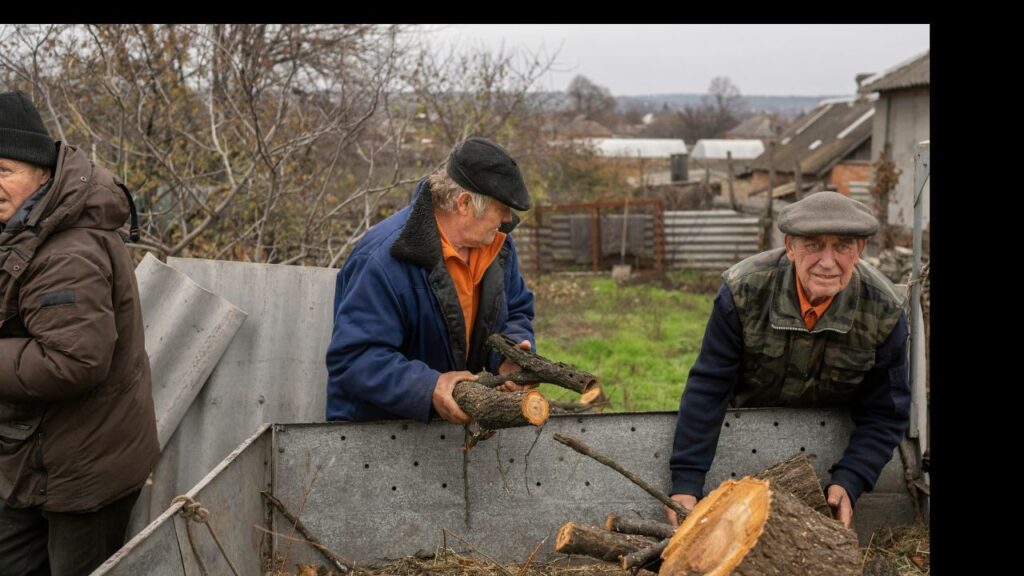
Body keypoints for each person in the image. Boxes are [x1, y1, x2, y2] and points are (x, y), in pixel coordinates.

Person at [666, 192, 910, 529]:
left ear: (860, 251)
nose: (827, 262)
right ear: (790, 246)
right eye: (812, 245)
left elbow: (887, 411)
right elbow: (709, 387)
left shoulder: (885, 310)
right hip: (746, 434)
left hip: (832, 447)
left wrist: (851, 479)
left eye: (842, 246)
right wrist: (686, 483)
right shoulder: (743, 291)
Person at [0, 90, 159, 574]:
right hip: (34, 457)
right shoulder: (25, 227)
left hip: (84, 471)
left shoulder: (67, 250)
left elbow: (74, 361)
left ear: (43, 172)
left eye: (3, 171)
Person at [326, 136, 536, 424]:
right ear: (464, 203)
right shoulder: (382, 259)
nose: (507, 218)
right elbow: (354, 359)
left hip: (455, 437)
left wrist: (511, 354)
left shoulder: (499, 247)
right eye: (501, 209)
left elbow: (518, 309)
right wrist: (429, 387)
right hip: (377, 440)